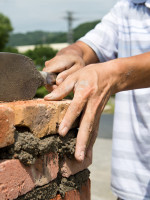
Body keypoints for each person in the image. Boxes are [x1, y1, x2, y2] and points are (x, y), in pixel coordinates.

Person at [43, 0, 150, 199]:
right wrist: (72, 54)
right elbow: (86, 47)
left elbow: (110, 73)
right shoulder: (129, 8)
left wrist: (112, 74)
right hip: (132, 186)